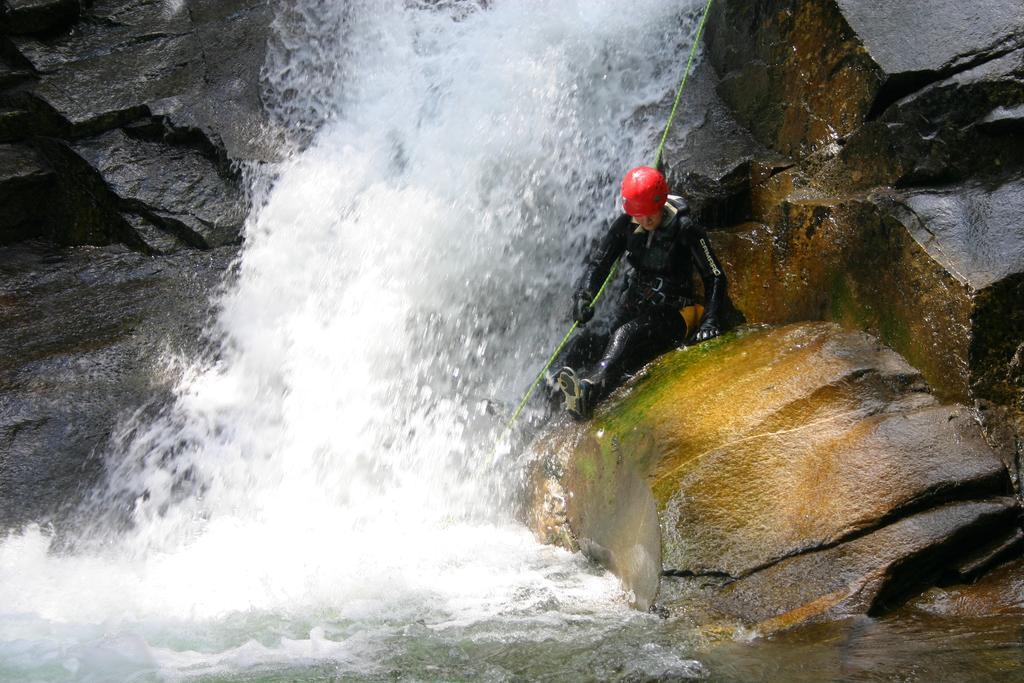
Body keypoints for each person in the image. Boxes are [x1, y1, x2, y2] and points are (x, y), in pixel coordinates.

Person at [555, 166, 727, 420]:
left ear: (661, 203)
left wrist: (711, 320)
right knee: (584, 341)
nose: (645, 221)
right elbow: (599, 263)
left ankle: (590, 388)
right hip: (636, 306)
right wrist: (584, 295)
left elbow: (715, 275)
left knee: (625, 335)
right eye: (639, 215)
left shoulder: (685, 227)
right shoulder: (627, 224)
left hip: (675, 314)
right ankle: (538, 400)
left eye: (650, 215)